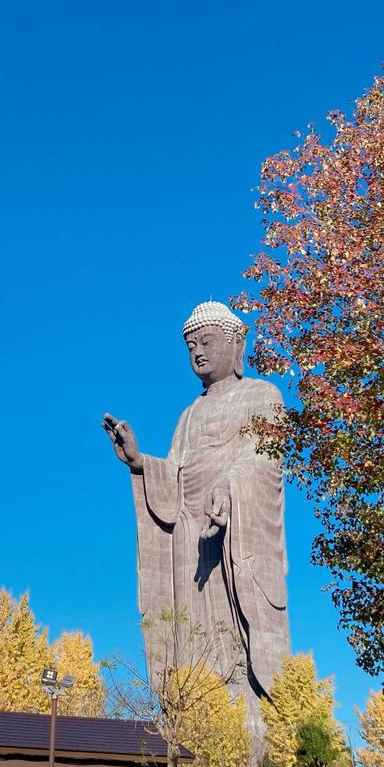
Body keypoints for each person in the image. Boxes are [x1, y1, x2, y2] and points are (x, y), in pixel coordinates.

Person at [103, 301, 289, 732]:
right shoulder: (188, 415)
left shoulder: (262, 395)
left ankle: (246, 712)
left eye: (207, 342)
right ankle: (198, 708)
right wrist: (140, 462)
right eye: (191, 347)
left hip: (233, 532)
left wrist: (228, 485)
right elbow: (175, 473)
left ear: (236, 344)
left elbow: (266, 456)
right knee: (192, 637)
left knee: (233, 631)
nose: (198, 353)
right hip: (189, 536)